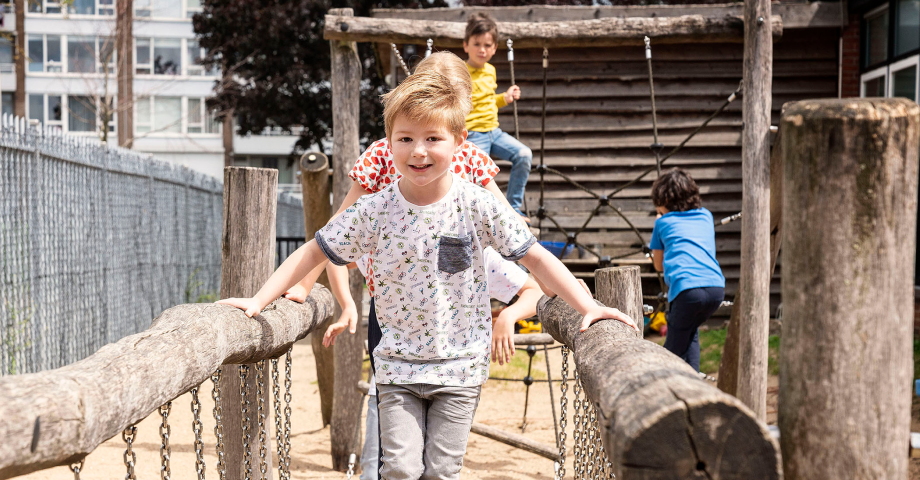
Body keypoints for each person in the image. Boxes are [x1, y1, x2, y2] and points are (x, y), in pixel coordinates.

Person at [219, 70, 636, 480]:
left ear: (458, 143)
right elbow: (314, 251)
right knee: (399, 468)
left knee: (441, 471)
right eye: (406, 139)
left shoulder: (477, 205)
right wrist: (258, 301)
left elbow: (536, 258)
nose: (418, 151)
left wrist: (590, 306)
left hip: (460, 367)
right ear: (389, 143)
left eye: (432, 139)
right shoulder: (375, 209)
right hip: (397, 366)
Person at [360, 248, 544, 480]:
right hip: (399, 374)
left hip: (455, 376)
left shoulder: (471, 245)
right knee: (399, 469)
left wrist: (509, 315)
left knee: (441, 471)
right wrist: (343, 302)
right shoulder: (384, 238)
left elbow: (534, 290)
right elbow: (332, 247)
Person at [648, 168, 725, 371]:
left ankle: (659, 382)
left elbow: (658, 265)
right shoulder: (706, 216)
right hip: (716, 288)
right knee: (690, 333)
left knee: (672, 349)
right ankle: (694, 378)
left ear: (662, 200)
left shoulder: (662, 222)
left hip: (687, 290)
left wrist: (659, 220)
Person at [463, 12, 533, 222]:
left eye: (487, 45)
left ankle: (512, 208)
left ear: (494, 48)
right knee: (480, 175)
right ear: (466, 45)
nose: (482, 50)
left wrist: (505, 97)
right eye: (476, 44)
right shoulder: (461, 71)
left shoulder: (491, 71)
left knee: (524, 154)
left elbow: (489, 100)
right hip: (473, 133)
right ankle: (479, 215)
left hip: (494, 131)